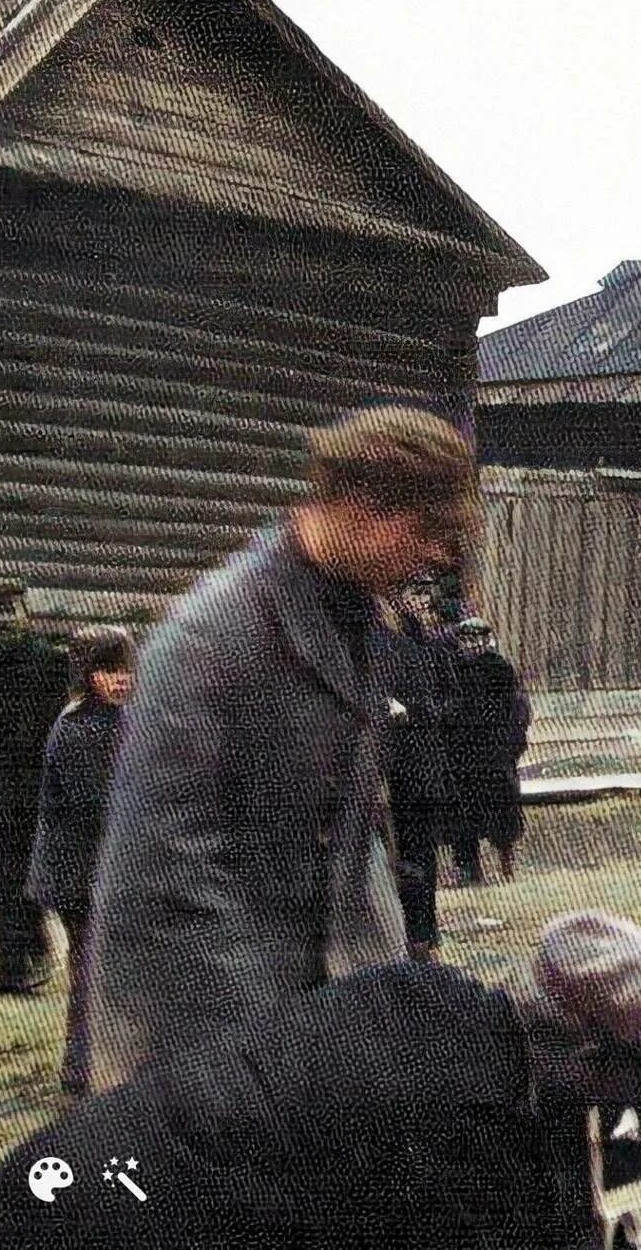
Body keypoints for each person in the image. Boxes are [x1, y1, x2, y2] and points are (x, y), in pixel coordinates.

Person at [83, 405, 475, 1093]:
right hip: (203, 1028)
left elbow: (354, 839)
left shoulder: (362, 621)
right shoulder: (211, 638)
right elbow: (168, 868)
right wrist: (275, 1052)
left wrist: (381, 992)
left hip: (311, 1006)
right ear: (361, 507)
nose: (438, 555)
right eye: (427, 531)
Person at [0, 911, 641, 1250]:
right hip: (93, 1224)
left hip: (54, 1179)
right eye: (621, 1086)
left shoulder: (425, 995)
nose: (619, 1108)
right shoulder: (455, 1114)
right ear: (584, 1057)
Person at [23, 625, 136, 1095]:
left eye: (126, 669)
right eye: (109, 670)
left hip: (100, 868)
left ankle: (96, 1065)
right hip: (81, 874)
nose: (121, 680)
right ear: (88, 674)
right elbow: (96, 803)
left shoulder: (118, 717)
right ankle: (82, 1069)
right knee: (91, 972)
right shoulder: (77, 727)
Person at [0, 577, 70, 997]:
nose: (3, 620)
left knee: (33, 881)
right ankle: (8, 969)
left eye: (10, 611)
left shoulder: (50, 665)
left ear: (26, 614)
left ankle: (39, 956)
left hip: (36, 795)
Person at [387, 577, 459, 955]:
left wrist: (422, 712)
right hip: (397, 766)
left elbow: (453, 702)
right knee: (403, 855)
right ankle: (408, 931)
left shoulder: (436, 650)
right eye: (409, 593)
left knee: (423, 854)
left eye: (421, 595)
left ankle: (424, 931)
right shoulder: (386, 648)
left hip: (428, 765)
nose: (416, 602)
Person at [450, 616, 532, 884]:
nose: (471, 645)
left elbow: (518, 710)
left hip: (496, 754)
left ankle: (506, 862)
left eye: (476, 638)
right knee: (463, 816)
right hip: (462, 756)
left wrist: (511, 745)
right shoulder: (453, 669)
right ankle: (469, 869)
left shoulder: (501, 670)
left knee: (502, 811)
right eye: (466, 639)